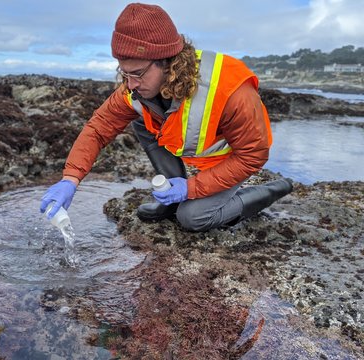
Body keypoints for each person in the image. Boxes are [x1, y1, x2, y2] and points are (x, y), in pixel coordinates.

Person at [40, 3, 293, 232]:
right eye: (124, 73)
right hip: (198, 156)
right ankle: (171, 195)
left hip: (234, 161)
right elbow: (99, 128)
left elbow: (253, 155)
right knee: (142, 119)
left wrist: (192, 189)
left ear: (168, 62)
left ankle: (271, 190)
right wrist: (70, 179)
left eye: (138, 73)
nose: (131, 84)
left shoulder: (231, 92)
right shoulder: (134, 88)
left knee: (193, 218)